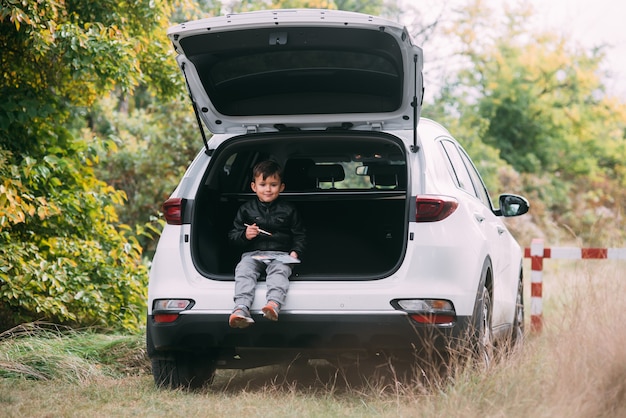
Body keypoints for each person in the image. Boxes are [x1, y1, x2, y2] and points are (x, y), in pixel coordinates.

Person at [227, 160, 306, 328]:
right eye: (263, 184)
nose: (268, 189)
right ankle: (241, 308)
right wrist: (245, 235)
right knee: (244, 270)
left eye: (273, 184)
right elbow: (233, 236)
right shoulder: (246, 210)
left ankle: (273, 304)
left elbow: (299, 235)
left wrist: (295, 252)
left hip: (281, 255)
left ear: (281, 187)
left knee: (280, 271)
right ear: (254, 187)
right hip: (253, 254)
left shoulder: (289, 210)